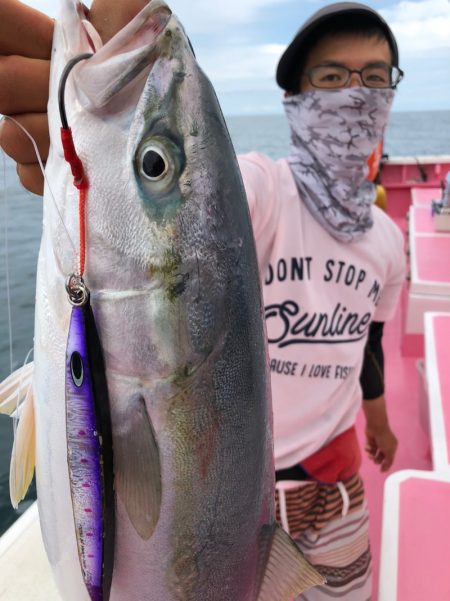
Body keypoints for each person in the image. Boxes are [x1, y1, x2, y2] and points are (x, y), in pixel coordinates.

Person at [0, 1, 405, 599]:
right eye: (332, 76)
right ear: (295, 93)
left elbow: (367, 339)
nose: (355, 94)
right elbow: (206, 208)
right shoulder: (264, 191)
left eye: (374, 77)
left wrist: (380, 420)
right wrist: (110, 153)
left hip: (338, 491)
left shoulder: (388, 240)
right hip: (238, 507)